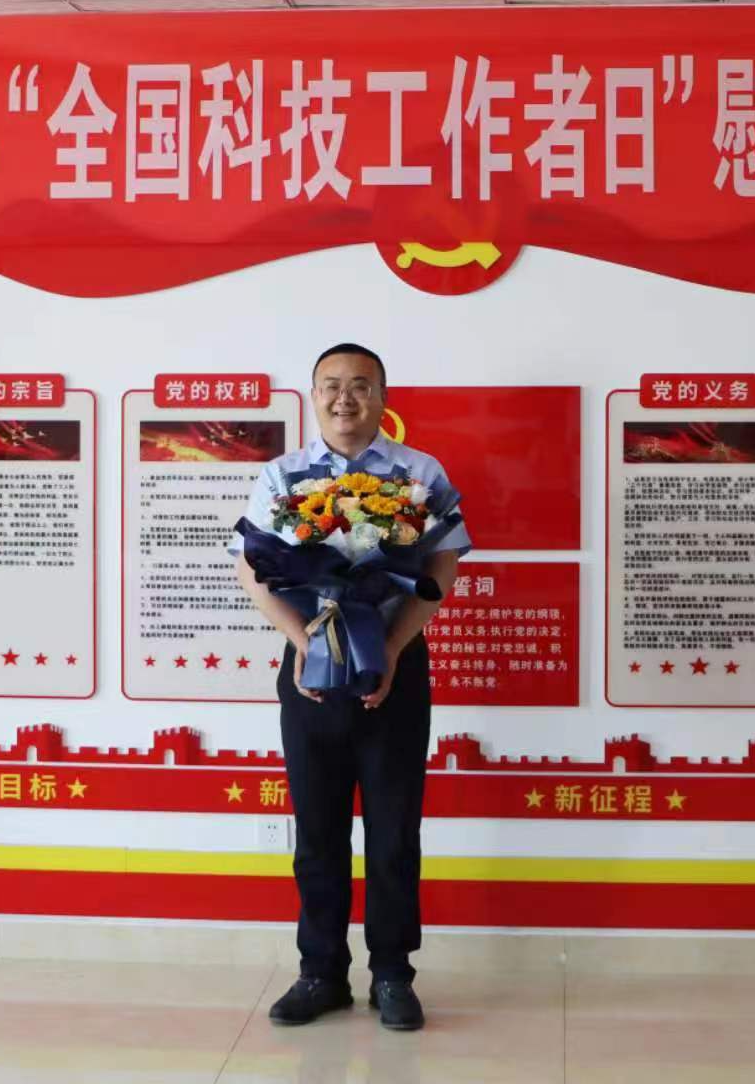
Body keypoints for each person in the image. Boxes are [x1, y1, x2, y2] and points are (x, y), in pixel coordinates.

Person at [232, 342, 467, 1032]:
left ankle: (392, 974)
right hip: (309, 671)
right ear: (313, 396)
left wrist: (390, 648)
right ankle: (320, 972)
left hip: (395, 668)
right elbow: (251, 569)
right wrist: (303, 644)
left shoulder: (418, 473)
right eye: (331, 385)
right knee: (317, 831)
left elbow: (442, 566)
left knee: (394, 832)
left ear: (382, 397)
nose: (345, 398)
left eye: (360, 385)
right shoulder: (282, 475)